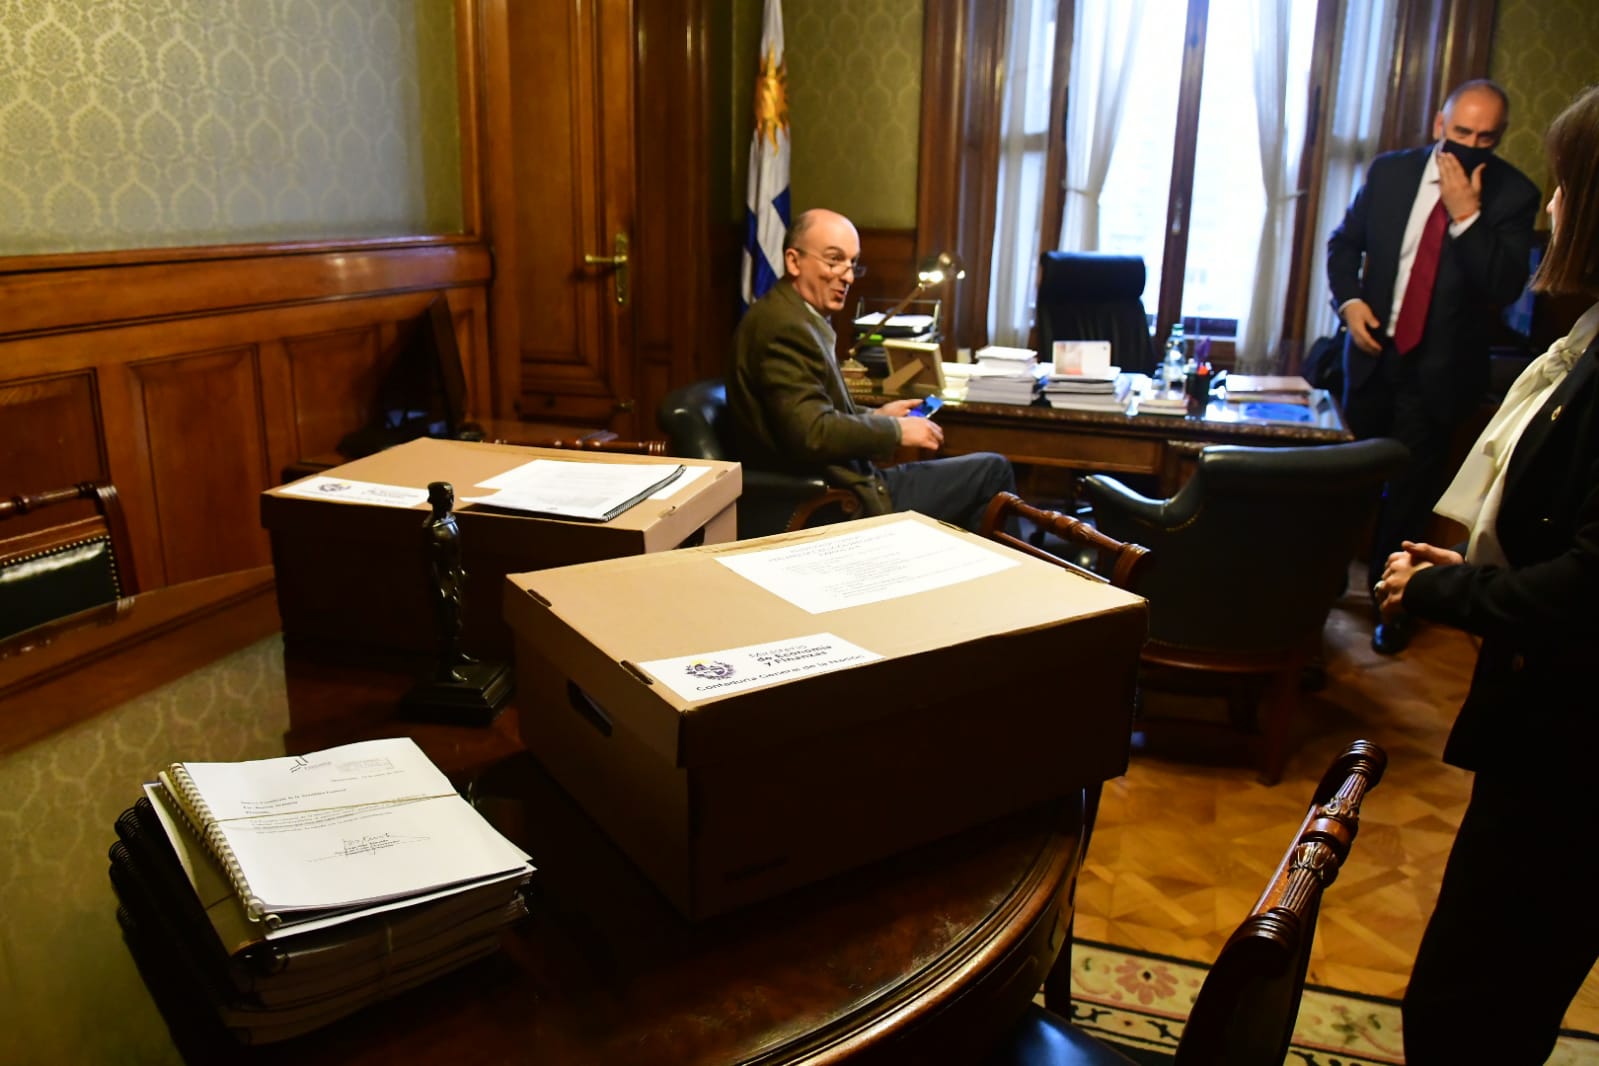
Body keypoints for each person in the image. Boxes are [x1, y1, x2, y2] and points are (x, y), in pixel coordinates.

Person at [1375, 85, 1599, 1064]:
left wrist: (1446, 592)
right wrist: (1478, 565)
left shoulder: (1501, 214)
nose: (1551, 204)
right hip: (1547, 734)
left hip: (1573, 751)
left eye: (1566, 184)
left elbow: (1590, 582)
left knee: (1473, 1006)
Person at [1327, 79, 1540, 655]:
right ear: (1439, 125)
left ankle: (1390, 607)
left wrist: (1466, 215)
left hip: (1440, 374)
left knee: (1409, 498)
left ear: (1499, 138)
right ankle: (1319, 595)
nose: (1471, 145)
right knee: (1346, 486)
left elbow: (1503, 286)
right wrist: (1350, 303)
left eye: (1486, 138)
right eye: (1461, 131)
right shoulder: (1391, 173)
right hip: (1371, 357)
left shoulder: (1514, 194)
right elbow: (1344, 245)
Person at [727, 207, 1015, 533]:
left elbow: (813, 411)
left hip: (846, 481)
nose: (848, 276)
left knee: (985, 471)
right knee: (993, 472)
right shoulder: (784, 327)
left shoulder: (794, 315)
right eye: (834, 260)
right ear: (794, 261)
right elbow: (811, 433)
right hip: (833, 500)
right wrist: (896, 431)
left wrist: (877, 416)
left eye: (852, 264)